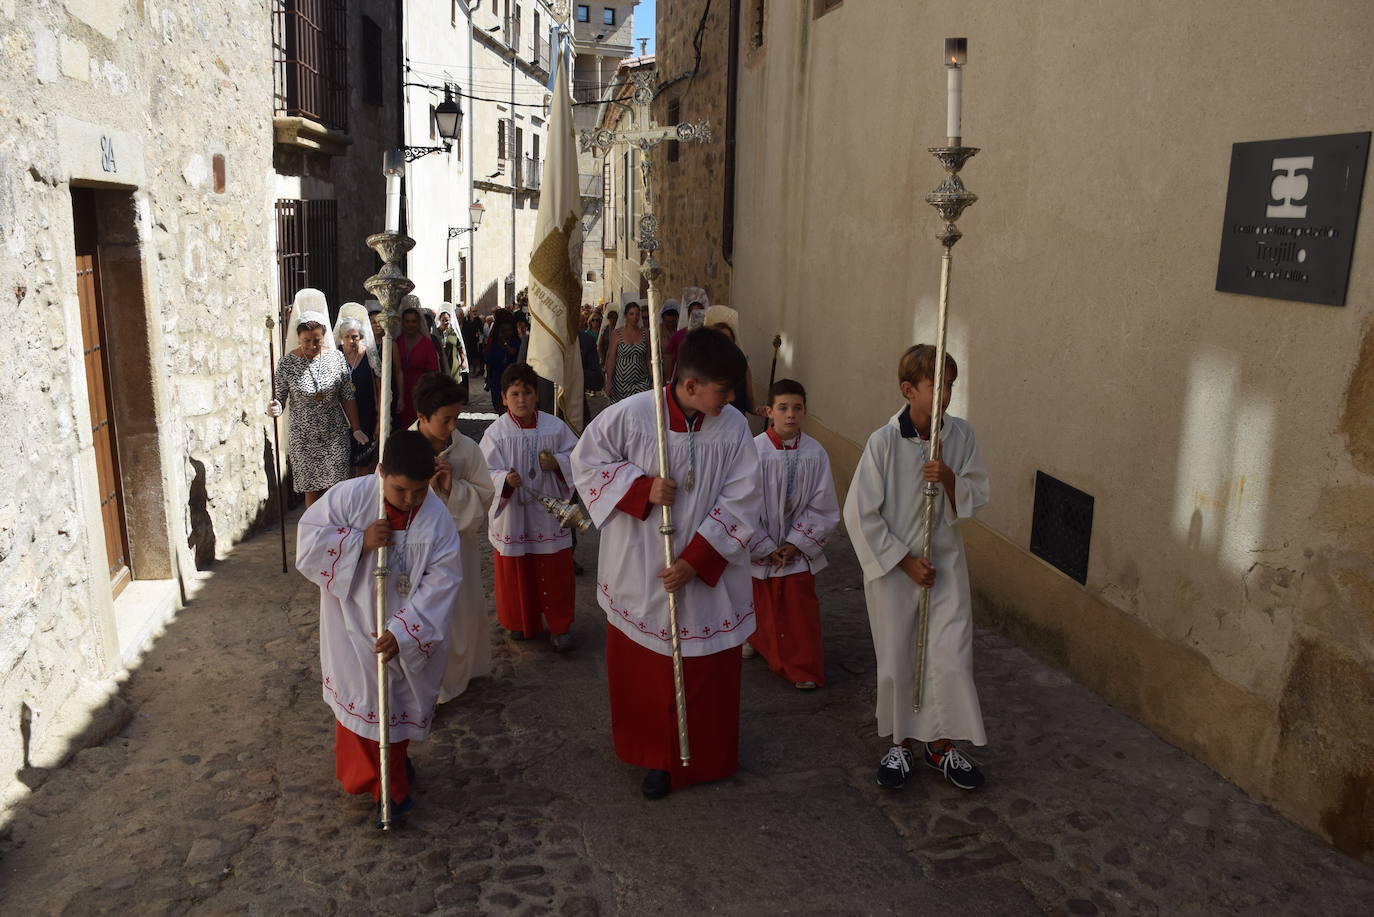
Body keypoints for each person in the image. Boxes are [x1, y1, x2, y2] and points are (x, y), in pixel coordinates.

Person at [570, 328, 761, 800]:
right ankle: (655, 758)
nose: (732, 398)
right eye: (724, 389)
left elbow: (744, 499)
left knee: (707, 672)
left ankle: (709, 757)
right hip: (641, 565)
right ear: (691, 385)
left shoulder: (733, 427)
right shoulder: (635, 416)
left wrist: (697, 561)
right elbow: (587, 460)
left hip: (705, 575)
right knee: (649, 675)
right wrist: (641, 488)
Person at [843, 344, 990, 792]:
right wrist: (904, 561)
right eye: (937, 385)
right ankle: (902, 743)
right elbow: (860, 513)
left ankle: (941, 744)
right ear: (909, 389)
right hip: (895, 572)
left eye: (951, 385)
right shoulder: (883, 442)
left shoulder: (960, 436)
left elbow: (976, 493)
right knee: (898, 658)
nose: (947, 394)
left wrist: (947, 477)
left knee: (949, 657)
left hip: (944, 567)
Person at [295, 429, 461, 822]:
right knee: (366, 703)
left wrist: (404, 632)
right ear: (381, 471)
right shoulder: (349, 498)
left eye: (420, 491)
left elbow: (444, 580)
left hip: (403, 632)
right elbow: (309, 543)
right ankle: (384, 788)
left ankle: (392, 778)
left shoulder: (436, 520)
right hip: (351, 623)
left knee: (396, 704)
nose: (410, 500)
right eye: (401, 490)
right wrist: (359, 542)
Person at [745, 379, 840, 689]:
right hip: (762, 546)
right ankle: (757, 641)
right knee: (762, 603)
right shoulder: (753, 452)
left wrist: (794, 544)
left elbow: (823, 504)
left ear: (805, 411)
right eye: (783, 408)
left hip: (795, 550)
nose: (790, 415)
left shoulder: (815, 453)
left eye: (797, 408)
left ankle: (802, 667)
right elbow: (742, 503)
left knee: (799, 608)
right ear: (769, 411)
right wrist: (764, 545)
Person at [479, 363, 579, 651]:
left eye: (527, 392)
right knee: (518, 571)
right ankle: (522, 621)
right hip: (515, 515)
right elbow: (485, 473)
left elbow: (578, 458)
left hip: (549, 515)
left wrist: (558, 462)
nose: (521, 399)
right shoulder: (496, 433)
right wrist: (504, 481)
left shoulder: (555, 426)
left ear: (536, 395)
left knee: (555, 570)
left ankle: (560, 625)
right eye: (515, 393)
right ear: (504, 397)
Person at [412, 373, 495, 700]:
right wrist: (424, 489)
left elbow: (485, 496)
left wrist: (452, 489)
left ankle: (458, 677)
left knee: (459, 613)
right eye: (445, 420)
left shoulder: (467, 450)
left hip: (459, 548)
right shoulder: (404, 448)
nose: (452, 427)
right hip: (418, 553)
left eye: (456, 418)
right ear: (421, 417)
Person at [268, 311, 366, 506]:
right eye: (306, 341)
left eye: (317, 340)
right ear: (298, 338)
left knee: (336, 490)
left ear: (324, 336)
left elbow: (347, 395)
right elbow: (279, 397)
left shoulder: (337, 358)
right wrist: (276, 407)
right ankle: (313, 533)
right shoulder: (286, 363)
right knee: (311, 489)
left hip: (334, 433)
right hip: (303, 437)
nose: (312, 346)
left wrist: (356, 428)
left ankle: (336, 532)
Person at [334, 307, 381, 474]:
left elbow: (379, 388)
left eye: (354, 336)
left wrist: (379, 420)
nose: (351, 341)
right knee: (343, 463)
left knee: (363, 462)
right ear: (341, 338)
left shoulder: (369, 356)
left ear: (360, 337)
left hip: (366, 415)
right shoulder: (336, 355)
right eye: (347, 337)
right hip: (342, 418)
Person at [702, 304, 764, 418]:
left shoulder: (743, 369)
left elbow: (749, 404)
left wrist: (759, 409)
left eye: (728, 340)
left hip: (736, 428)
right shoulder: (703, 370)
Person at [397, 303, 440, 428]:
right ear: (403, 323)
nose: (410, 325)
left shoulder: (427, 344)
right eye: (407, 321)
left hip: (420, 390)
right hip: (400, 390)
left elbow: (433, 372)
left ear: (418, 323)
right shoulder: (397, 342)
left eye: (413, 321)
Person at [604, 301, 652, 403]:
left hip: (642, 380)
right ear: (626, 316)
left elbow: (648, 358)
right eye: (631, 314)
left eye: (637, 314)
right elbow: (611, 358)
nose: (634, 317)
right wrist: (608, 381)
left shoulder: (645, 333)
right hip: (621, 382)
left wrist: (653, 378)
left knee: (641, 408)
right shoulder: (617, 334)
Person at [484, 315, 520, 413]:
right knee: (498, 404)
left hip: (511, 378)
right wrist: (488, 377)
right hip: (497, 377)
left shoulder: (515, 341)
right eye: (504, 331)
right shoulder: (495, 344)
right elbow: (489, 361)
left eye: (508, 330)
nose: (507, 333)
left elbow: (512, 352)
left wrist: (504, 343)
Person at [665, 300, 704, 380]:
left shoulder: (708, 336)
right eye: (694, 314)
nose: (697, 317)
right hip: (681, 379)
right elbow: (671, 359)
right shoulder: (678, 335)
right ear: (688, 315)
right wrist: (668, 380)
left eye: (699, 314)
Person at [437, 305, 470, 386]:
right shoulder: (436, 333)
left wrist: (463, 361)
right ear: (439, 320)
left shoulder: (453, 333)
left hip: (453, 364)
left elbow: (460, 348)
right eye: (443, 320)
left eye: (447, 320)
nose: (445, 322)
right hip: (440, 364)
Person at [580, 312, 605, 396]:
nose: (595, 322)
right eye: (593, 320)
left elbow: (597, 381)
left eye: (597, 320)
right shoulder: (588, 334)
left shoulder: (586, 340)